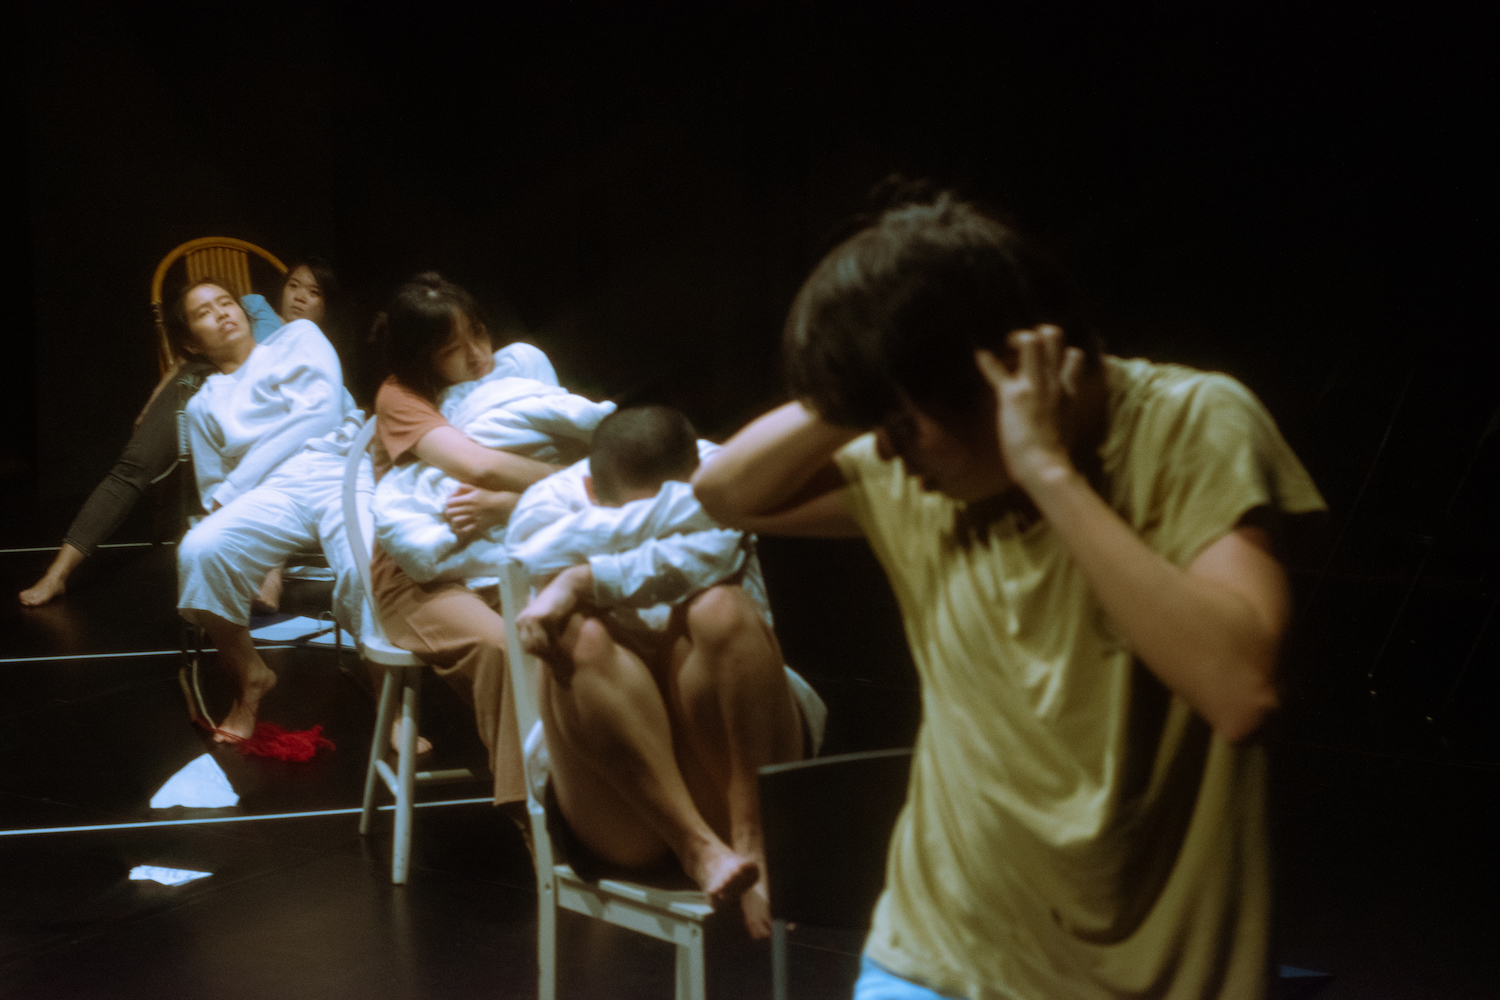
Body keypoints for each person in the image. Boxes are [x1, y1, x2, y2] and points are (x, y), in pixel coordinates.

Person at [693, 192, 1326, 998]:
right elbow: (727, 490)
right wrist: (861, 381)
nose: (881, 447)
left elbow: (1239, 687)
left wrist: (1049, 474)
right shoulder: (913, 473)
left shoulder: (1188, 423)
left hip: (1148, 979)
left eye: (899, 419)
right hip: (934, 956)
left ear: (1004, 371)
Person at [506, 405, 820, 938]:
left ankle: (750, 838)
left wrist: (584, 579)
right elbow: (532, 553)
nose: (649, 528)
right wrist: (671, 525)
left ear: (696, 474)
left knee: (719, 607)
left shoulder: (726, 473)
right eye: (632, 520)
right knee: (577, 637)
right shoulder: (546, 507)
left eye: (672, 511)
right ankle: (696, 847)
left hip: (738, 770)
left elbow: (716, 550)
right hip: (622, 805)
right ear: (590, 492)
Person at [19, 260, 342, 607]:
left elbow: (321, 409)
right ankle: (58, 573)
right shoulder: (253, 306)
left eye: (313, 292)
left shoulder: (299, 338)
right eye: (294, 285)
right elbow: (180, 362)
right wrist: (154, 402)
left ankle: (269, 569)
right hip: (209, 382)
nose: (300, 297)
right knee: (135, 467)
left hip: (284, 446)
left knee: (282, 455)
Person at [368, 273, 562, 800]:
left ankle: (597, 791)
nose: (478, 354)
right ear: (422, 356)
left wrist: (513, 500)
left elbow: (555, 444)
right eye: (454, 348)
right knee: (501, 647)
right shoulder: (401, 396)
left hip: (497, 557)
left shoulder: (505, 377)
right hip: (418, 580)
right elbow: (477, 465)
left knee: (582, 630)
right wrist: (580, 479)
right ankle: (538, 820)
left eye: (479, 333)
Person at [174, 276, 369, 742]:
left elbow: (319, 414)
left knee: (366, 565)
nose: (223, 312)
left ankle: (389, 694)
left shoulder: (298, 337)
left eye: (227, 302)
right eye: (205, 312)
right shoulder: (204, 406)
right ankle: (250, 678)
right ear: (190, 341)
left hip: (336, 468)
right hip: (270, 494)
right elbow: (212, 492)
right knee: (199, 549)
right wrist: (230, 501)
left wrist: (238, 483)